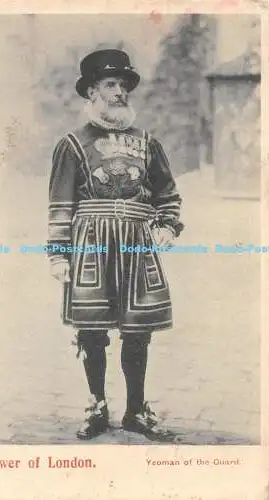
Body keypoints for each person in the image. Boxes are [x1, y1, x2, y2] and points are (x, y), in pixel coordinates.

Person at [48, 49, 184, 441]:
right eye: (110, 85)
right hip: (90, 244)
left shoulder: (147, 142)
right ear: (91, 91)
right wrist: (58, 254)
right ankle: (97, 405)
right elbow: (61, 204)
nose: (119, 92)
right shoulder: (73, 144)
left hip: (138, 246)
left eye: (124, 86)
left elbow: (167, 193)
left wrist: (167, 226)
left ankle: (136, 411)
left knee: (138, 330)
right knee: (92, 330)